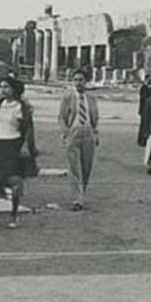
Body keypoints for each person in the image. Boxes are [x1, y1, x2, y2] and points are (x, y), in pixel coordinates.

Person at [0, 76, 37, 230]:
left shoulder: (22, 107)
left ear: (14, 89)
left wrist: (26, 147)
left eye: (6, 87)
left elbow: (28, 129)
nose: (3, 90)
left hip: (14, 146)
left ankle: (14, 216)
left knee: (16, 183)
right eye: (1, 87)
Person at [58, 69, 100, 210]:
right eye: (75, 80)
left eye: (81, 80)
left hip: (88, 132)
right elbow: (62, 117)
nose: (78, 83)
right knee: (74, 168)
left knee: (86, 167)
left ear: (86, 81)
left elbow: (95, 118)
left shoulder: (91, 98)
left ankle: (81, 193)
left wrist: (95, 133)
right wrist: (67, 133)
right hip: (73, 132)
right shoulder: (67, 98)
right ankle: (77, 200)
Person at [137, 72, 151, 151]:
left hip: (144, 109)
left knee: (144, 124)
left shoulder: (145, 88)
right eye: (150, 79)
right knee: (143, 125)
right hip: (144, 109)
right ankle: (142, 140)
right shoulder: (144, 88)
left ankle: (143, 139)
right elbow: (145, 98)